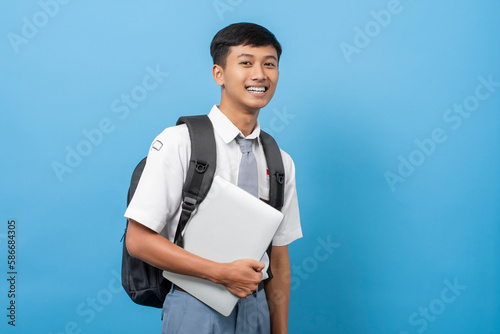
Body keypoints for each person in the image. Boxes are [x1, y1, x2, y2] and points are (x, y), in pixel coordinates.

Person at [124, 22, 302, 334]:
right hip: (194, 305)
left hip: (257, 308)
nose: (260, 74)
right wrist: (220, 273)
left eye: (269, 64)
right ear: (218, 74)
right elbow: (138, 241)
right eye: (246, 62)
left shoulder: (279, 161)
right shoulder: (180, 142)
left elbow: (279, 262)